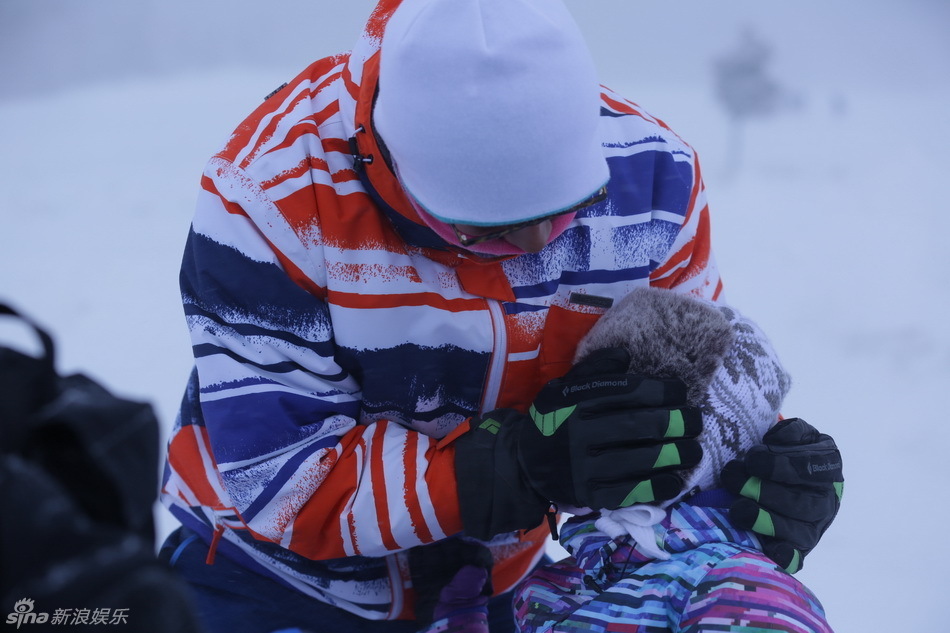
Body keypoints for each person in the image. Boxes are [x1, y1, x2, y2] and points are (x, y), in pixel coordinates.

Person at [158, 1, 843, 632]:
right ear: (399, 174)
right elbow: (285, 478)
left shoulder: (651, 185)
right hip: (267, 583)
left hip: (496, 588)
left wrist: (759, 467)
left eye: (571, 205)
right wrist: (513, 468)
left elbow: (692, 393)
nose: (539, 245)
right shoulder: (274, 200)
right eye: (490, 230)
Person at [408, 288, 838, 633]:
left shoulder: (735, 592)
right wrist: (458, 618)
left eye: (616, 424)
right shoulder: (574, 578)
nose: (576, 432)